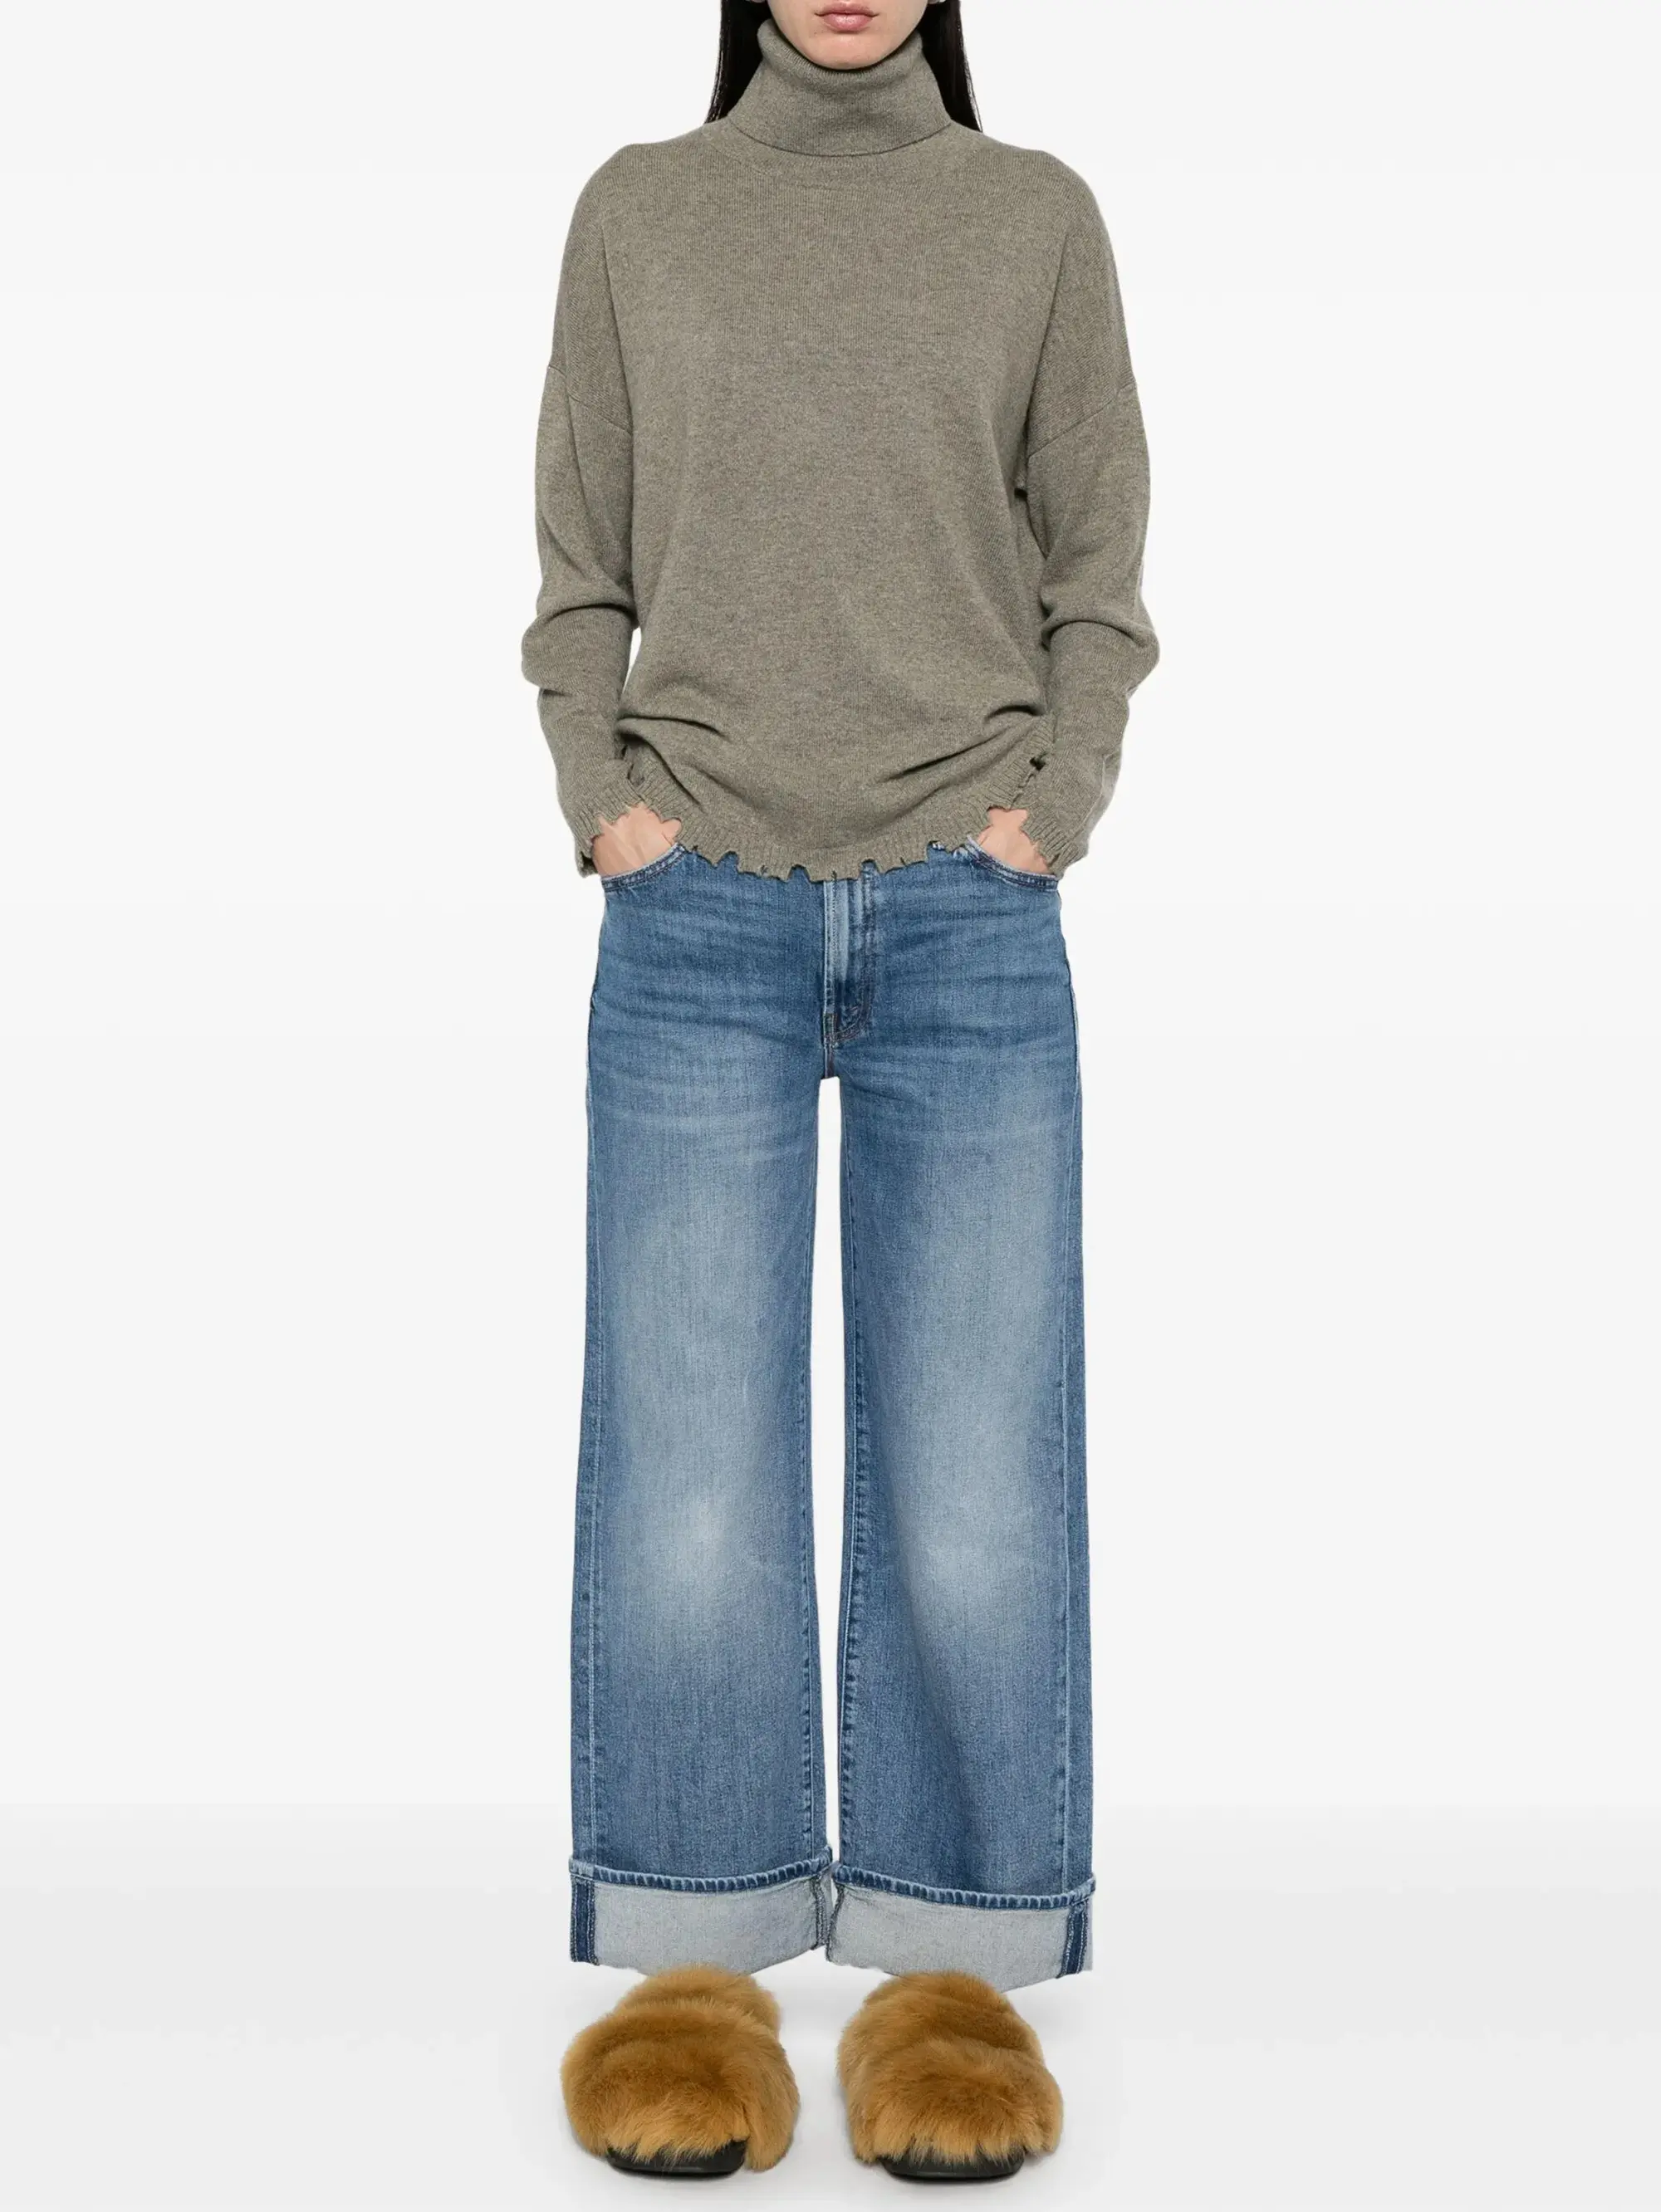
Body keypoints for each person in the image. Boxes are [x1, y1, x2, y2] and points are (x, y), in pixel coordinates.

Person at [521, 0, 1157, 2181]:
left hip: (971, 908)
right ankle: (693, 1959)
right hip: (693, 905)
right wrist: (602, 801)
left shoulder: (1032, 220)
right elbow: (581, 577)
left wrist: (1057, 806)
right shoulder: (642, 216)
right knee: (685, 1461)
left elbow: (1097, 579)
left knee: (977, 1463)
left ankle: (951, 1969)